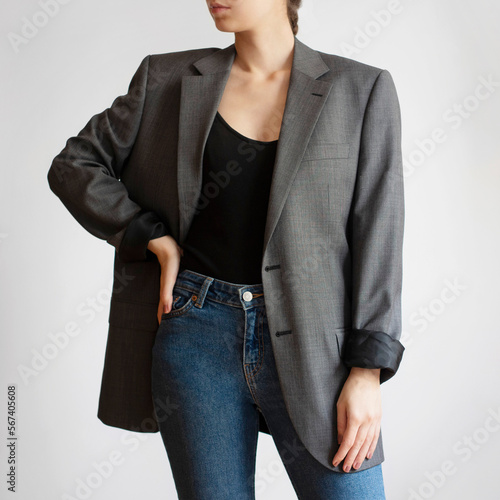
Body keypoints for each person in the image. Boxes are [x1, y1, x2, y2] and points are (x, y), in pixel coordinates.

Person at [47, 0, 405, 498]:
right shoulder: (166, 78)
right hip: (196, 334)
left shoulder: (359, 89)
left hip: (316, 347)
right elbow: (74, 166)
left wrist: (368, 372)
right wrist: (151, 238)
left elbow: (379, 233)